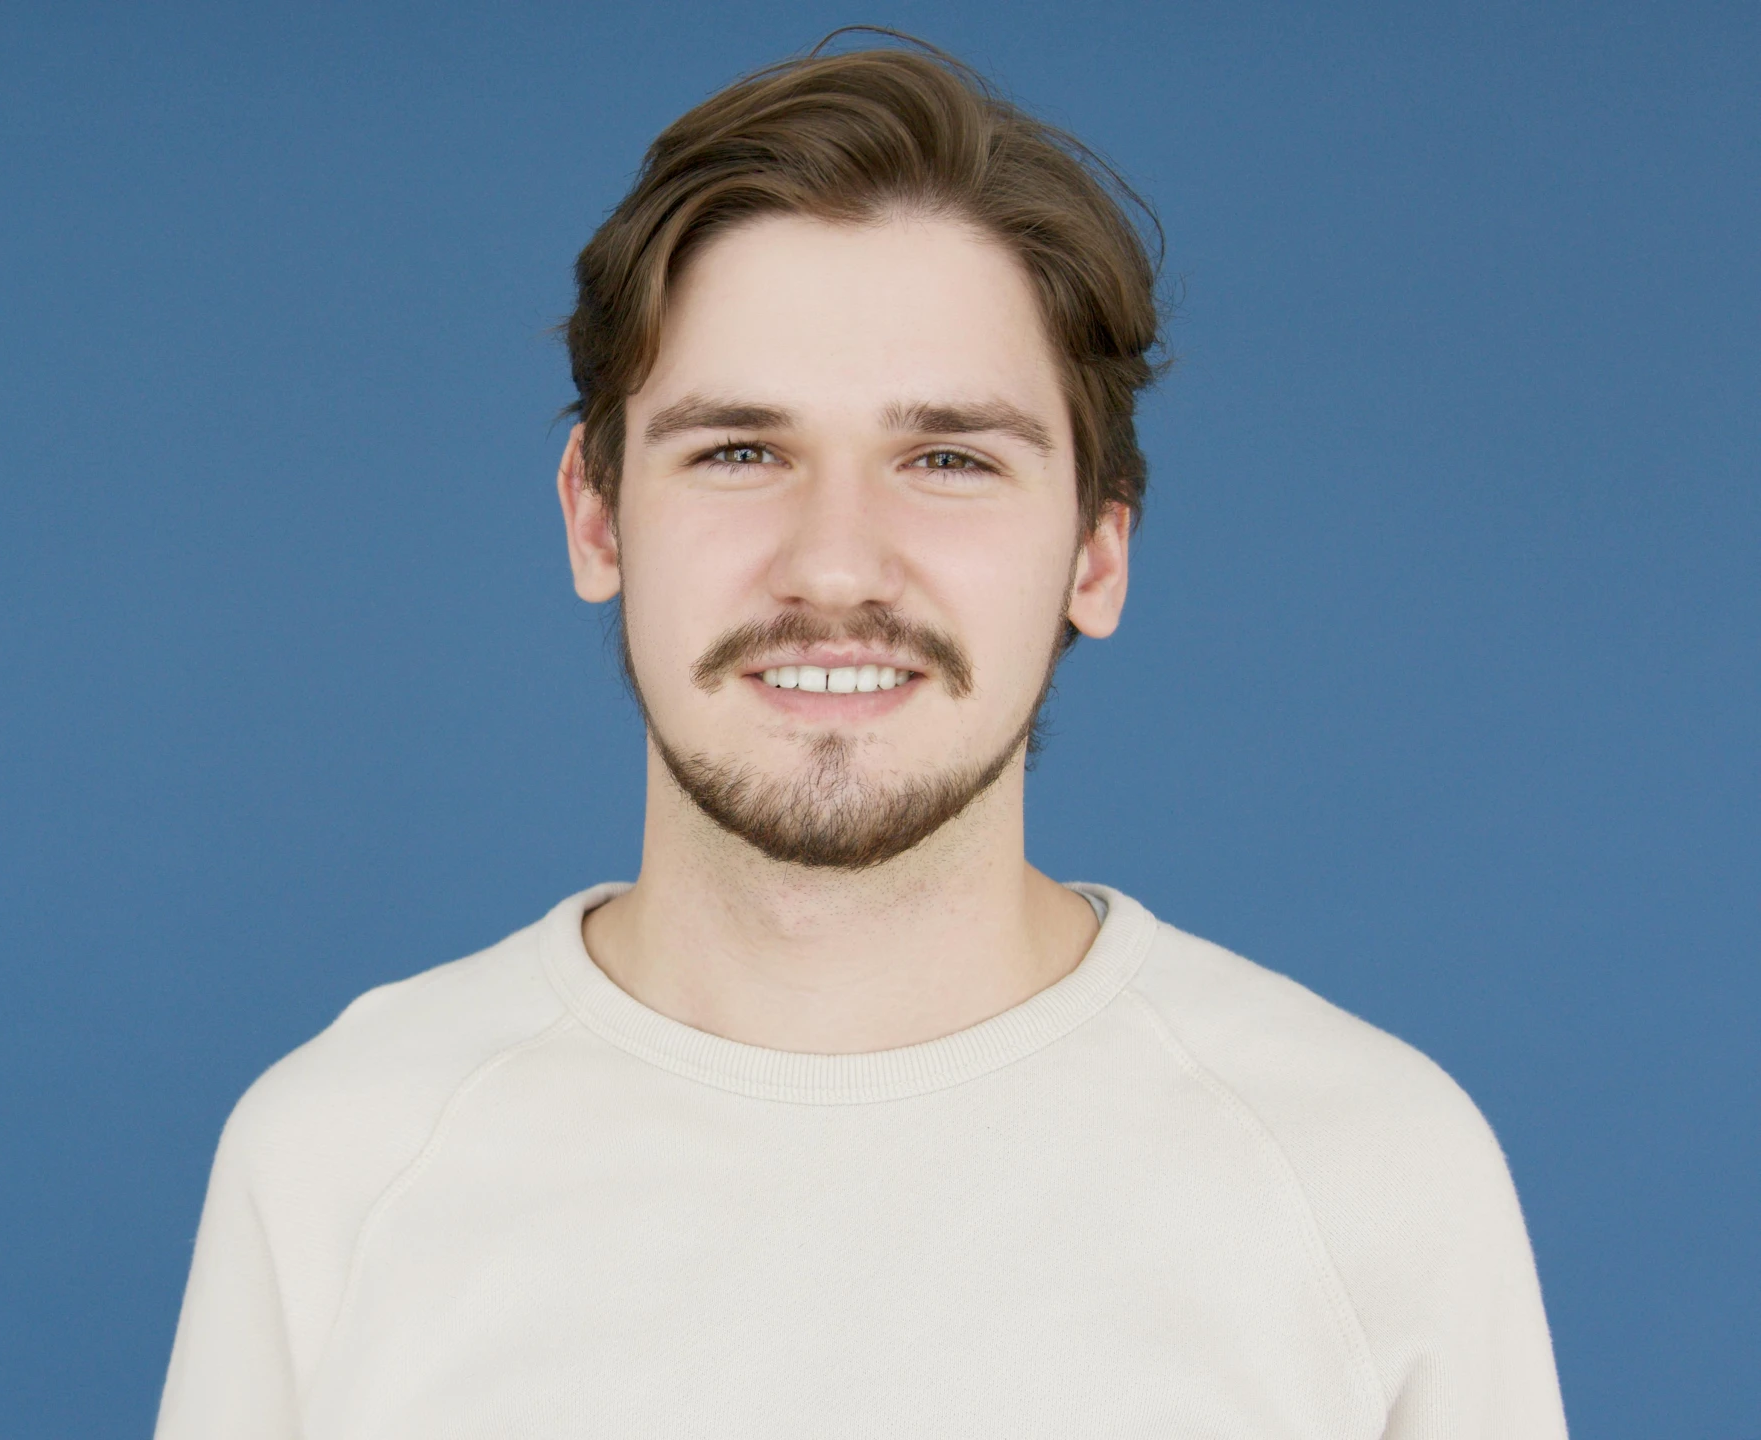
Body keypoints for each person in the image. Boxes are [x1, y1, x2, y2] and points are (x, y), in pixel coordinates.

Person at [155, 34, 1563, 1439]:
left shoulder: (1368, 1172)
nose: (834, 568)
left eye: (947, 460)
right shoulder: (339, 1155)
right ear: (593, 516)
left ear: (1095, 554)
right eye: (738, 451)